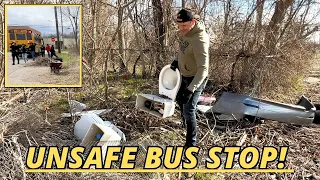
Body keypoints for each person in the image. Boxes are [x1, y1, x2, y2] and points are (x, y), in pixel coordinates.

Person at [170, 9, 209, 148]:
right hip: (184, 74)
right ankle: (185, 123)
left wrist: (190, 89)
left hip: (196, 78)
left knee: (189, 110)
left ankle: (191, 144)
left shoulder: (200, 40)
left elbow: (203, 69)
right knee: (180, 101)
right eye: (179, 26)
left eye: (184, 26)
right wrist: (176, 61)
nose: (181, 29)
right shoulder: (186, 33)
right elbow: (182, 50)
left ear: (193, 22)